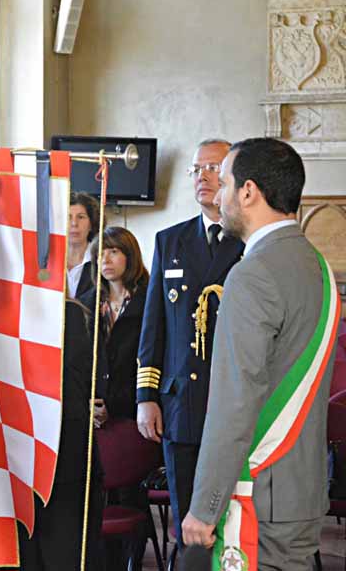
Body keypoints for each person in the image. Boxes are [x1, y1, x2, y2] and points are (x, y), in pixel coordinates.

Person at [183, 138, 341, 570]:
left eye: (226, 183)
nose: (218, 195)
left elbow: (235, 402)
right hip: (303, 489)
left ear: (249, 191)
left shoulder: (253, 275)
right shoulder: (316, 265)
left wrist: (205, 505)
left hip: (259, 495)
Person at [136, 138, 244, 551]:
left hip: (230, 403)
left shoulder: (249, 242)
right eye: (196, 169)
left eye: (213, 168)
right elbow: (154, 328)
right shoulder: (170, 241)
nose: (202, 176)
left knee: (230, 521)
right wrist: (147, 395)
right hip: (181, 404)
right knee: (186, 525)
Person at [17, 295, 106, 570]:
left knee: (64, 550)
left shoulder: (72, 315)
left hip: (61, 451)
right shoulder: (75, 314)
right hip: (29, 453)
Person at [87, 226, 149, 571]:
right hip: (95, 413)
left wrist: (118, 404)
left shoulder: (147, 299)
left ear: (129, 256)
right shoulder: (87, 300)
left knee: (129, 495)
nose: (105, 260)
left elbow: (149, 360)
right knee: (97, 499)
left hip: (132, 411)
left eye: (113, 252)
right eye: (100, 254)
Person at [67, 191, 100, 300]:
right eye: (68, 217)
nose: (74, 223)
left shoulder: (101, 259)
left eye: (80, 217)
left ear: (92, 223)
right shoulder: (48, 260)